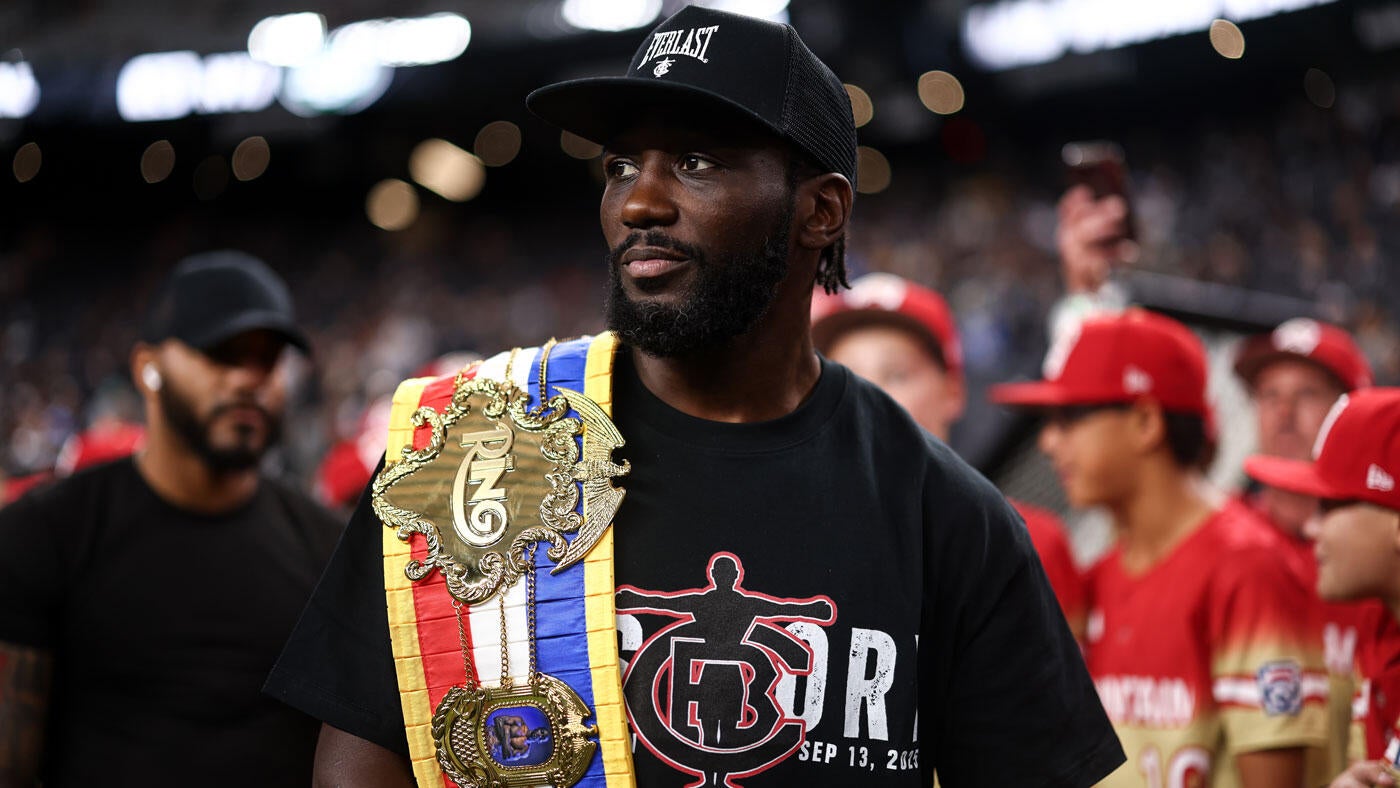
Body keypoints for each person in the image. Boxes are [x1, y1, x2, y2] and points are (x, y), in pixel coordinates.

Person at [264, 6, 1124, 787]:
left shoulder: (949, 516)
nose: (639, 201)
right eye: (622, 165)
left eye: (697, 162)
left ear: (820, 211)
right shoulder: (477, 446)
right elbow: (358, 761)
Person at [0, 251, 343, 787]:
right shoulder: (48, 531)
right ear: (147, 368)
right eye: (222, 354)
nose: (249, 378)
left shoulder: (330, 549)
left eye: (268, 359)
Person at [992, 308, 1328, 788]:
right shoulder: (1103, 573)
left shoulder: (1248, 564)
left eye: (1070, 417)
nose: (1048, 442)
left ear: (1146, 421)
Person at [810, 272, 1085, 637]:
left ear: (953, 390)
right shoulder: (796, 544)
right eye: (846, 378)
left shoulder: (1027, 542)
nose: (869, 396)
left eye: (896, 375)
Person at [1234, 318, 1400, 772]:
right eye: (1269, 395)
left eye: (1306, 393)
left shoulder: (1374, 571)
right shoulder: (1221, 541)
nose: (1284, 412)